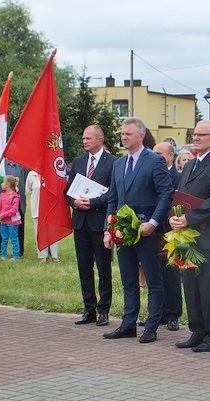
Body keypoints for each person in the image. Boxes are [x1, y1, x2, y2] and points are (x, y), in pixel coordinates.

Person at [103, 117, 173, 343]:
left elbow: (166, 194)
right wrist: (108, 229)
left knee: (153, 279)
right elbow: (113, 199)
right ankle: (128, 324)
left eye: (128, 134)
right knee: (128, 279)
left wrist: (153, 222)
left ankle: (151, 326)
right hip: (123, 232)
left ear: (141, 135)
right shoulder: (118, 164)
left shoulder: (154, 161)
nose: (123, 137)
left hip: (147, 231)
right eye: (122, 134)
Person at [170, 120, 210, 352]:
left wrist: (189, 218)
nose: (195, 138)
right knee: (190, 284)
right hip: (186, 235)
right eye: (194, 134)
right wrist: (175, 217)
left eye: (201, 134)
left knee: (209, 286)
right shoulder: (189, 165)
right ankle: (197, 330)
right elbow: (181, 196)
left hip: (207, 235)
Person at [66, 125, 115, 327]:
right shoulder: (78, 162)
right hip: (80, 222)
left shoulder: (113, 162)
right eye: (83, 138)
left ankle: (104, 310)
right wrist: (74, 202)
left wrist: (94, 202)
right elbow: (68, 190)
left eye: (88, 138)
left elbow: (113, 192)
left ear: (99, 140)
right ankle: (89, 309)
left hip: (99, 221)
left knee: (103, 267)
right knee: (84, 267)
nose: (84, 141)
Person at [153, 141, 183, 331]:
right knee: (155, 273)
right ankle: (157, 313)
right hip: (153, 228)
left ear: (170, 156)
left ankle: (173, 314)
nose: (155, 158)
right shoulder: (151, 173)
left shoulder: (178, 177)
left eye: (160, 154)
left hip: (170, 229)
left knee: (171, 273)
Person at [26, 170, 59, 262]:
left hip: (51, 209)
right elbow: (27, 190)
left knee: (53, 233)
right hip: (37, 209)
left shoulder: (52, 172)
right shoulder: (32, 174)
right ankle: (42, 256)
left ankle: (55, 255)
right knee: (39, 233)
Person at [0, 175, 22, 261]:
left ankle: (16, 256)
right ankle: (3, 255)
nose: (1, 184)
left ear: (8, 184)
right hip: (3, 222)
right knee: (4, 238)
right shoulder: (2, 195)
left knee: (14, 239)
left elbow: (13, 210)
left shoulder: (15, 196)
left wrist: (2, 215)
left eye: (3, 182)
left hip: (13, 222)